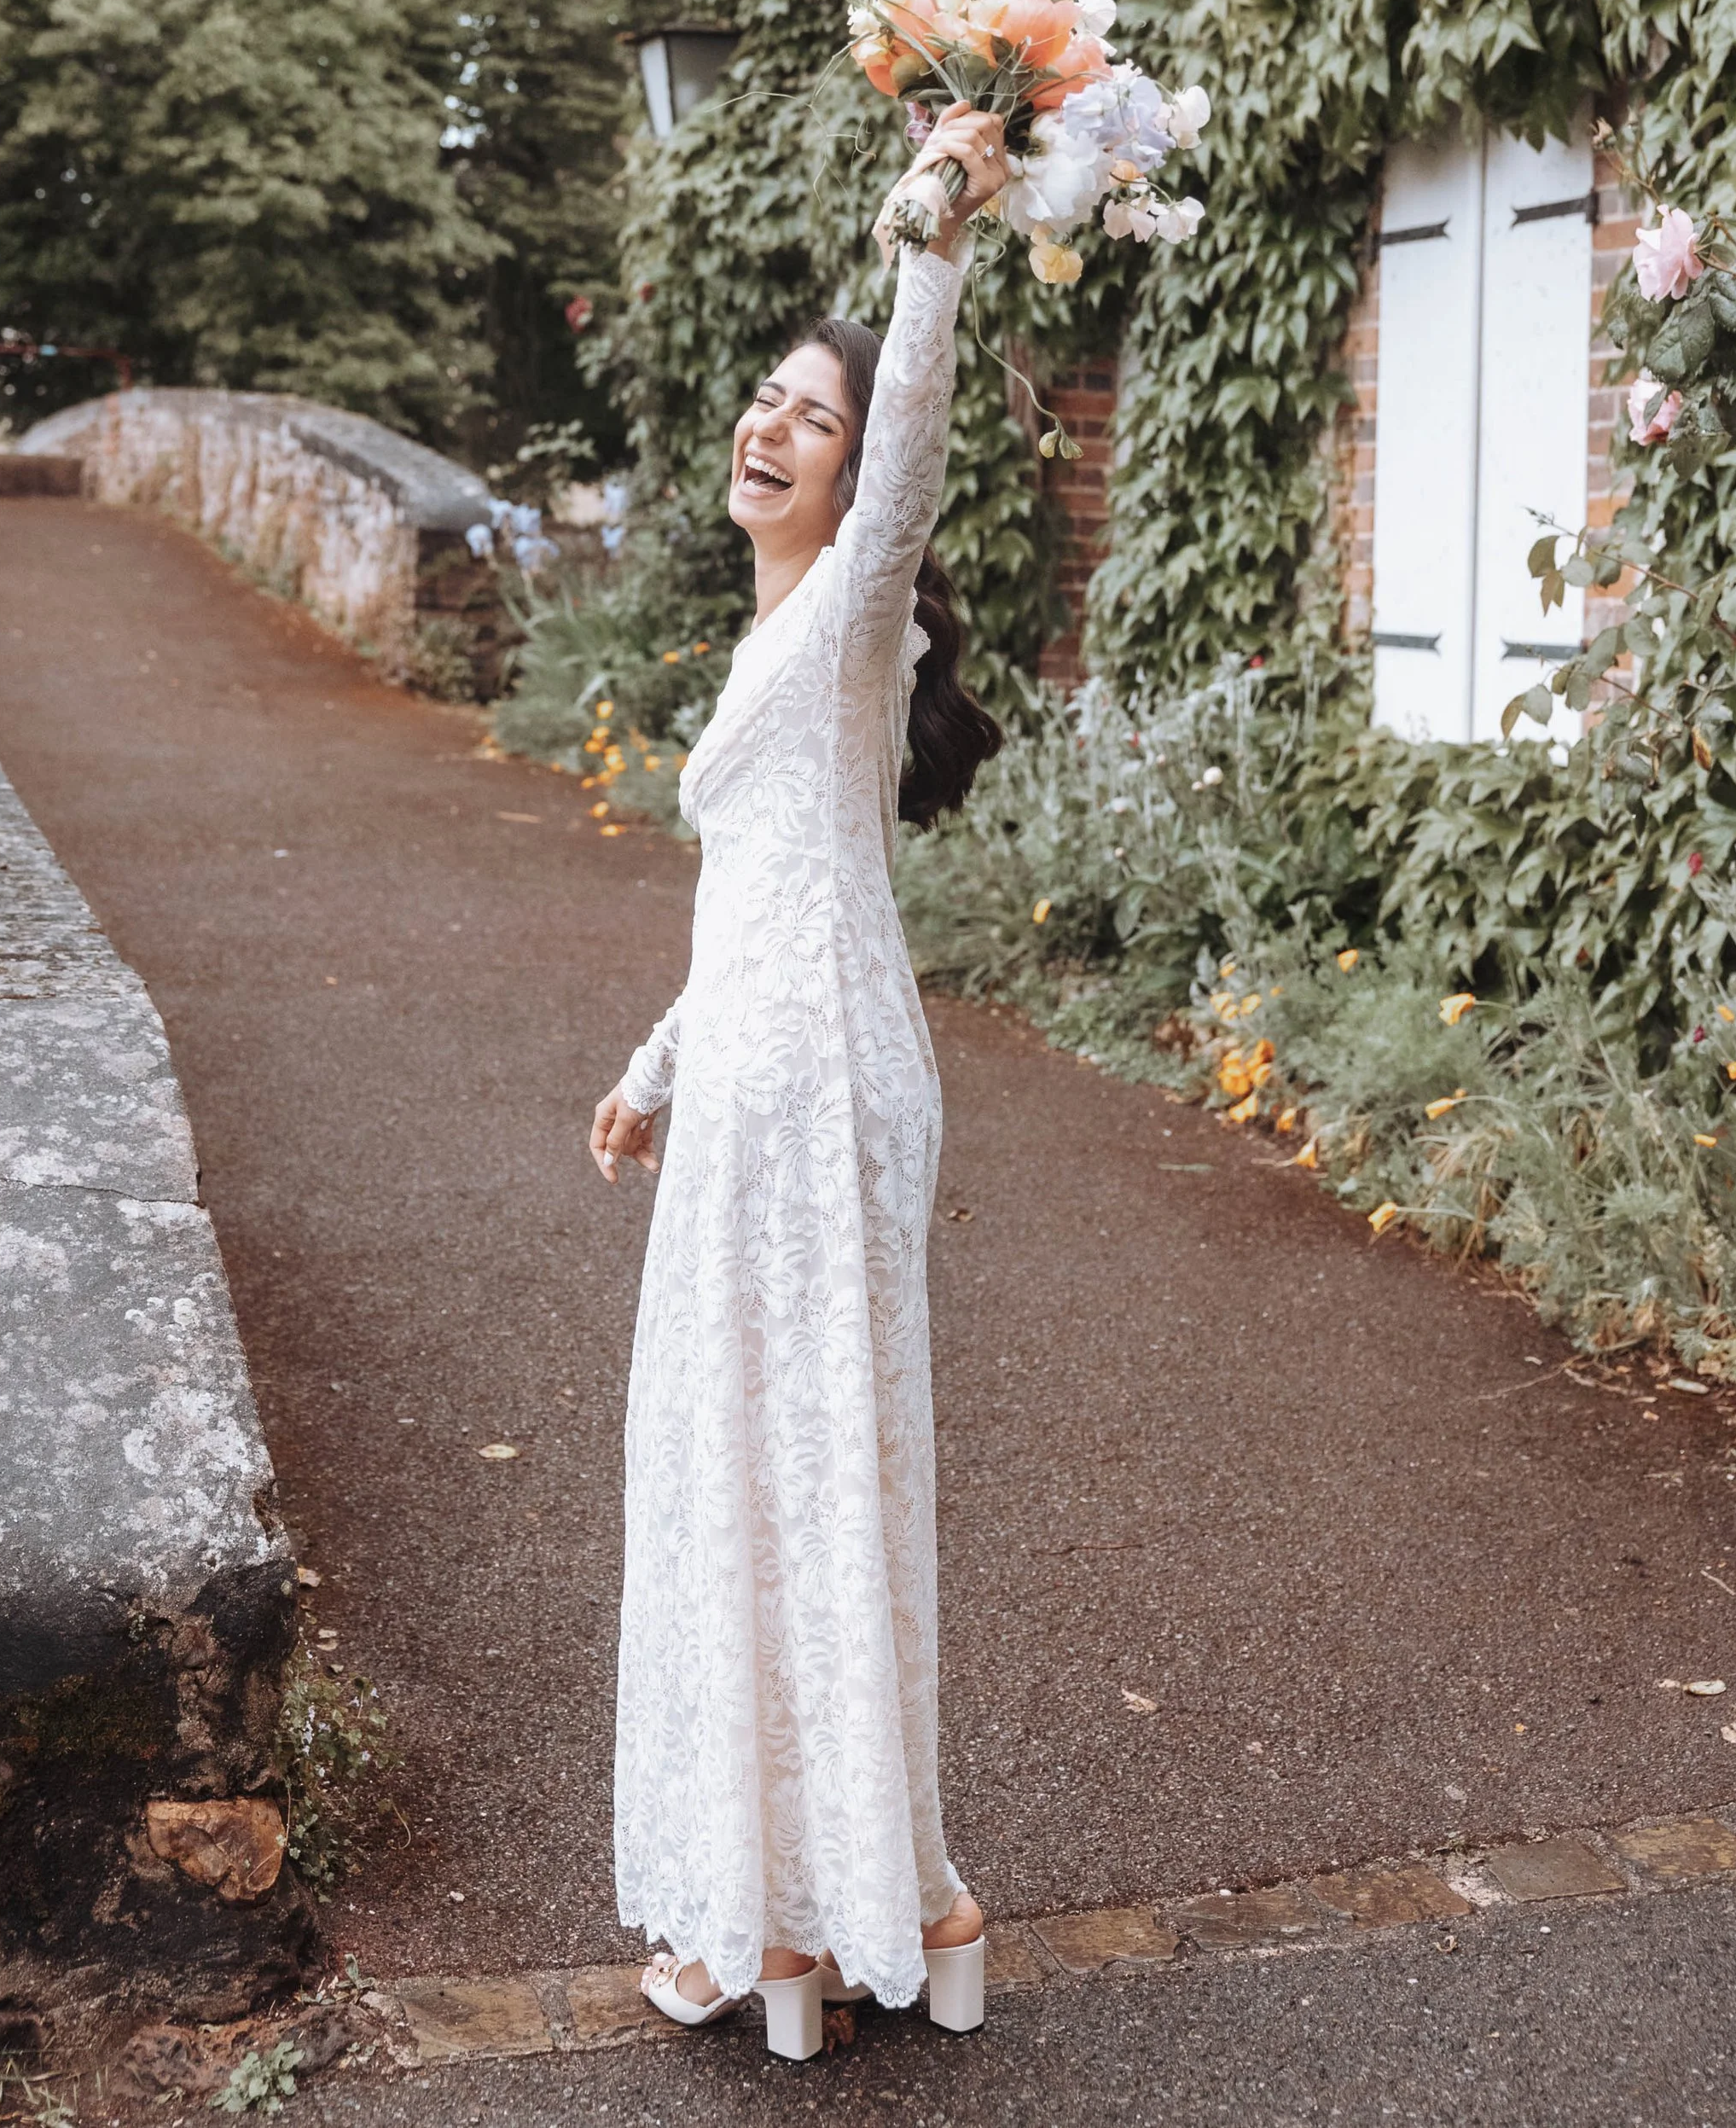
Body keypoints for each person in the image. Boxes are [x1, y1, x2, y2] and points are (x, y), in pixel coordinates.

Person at [589, 102, 1009, 2061]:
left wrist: (931, 242)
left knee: (806, 1481)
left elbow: (912, 448)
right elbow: (752, 898)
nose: (771, 425)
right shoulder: (774, 641)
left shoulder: (850, 611)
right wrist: (652, 1066)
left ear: (851, 478)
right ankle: (848, 1908)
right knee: (759, 1480)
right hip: (754, 1078)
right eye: (765, 398)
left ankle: (820, 1915)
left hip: (822, 1094)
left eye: (810, 416)